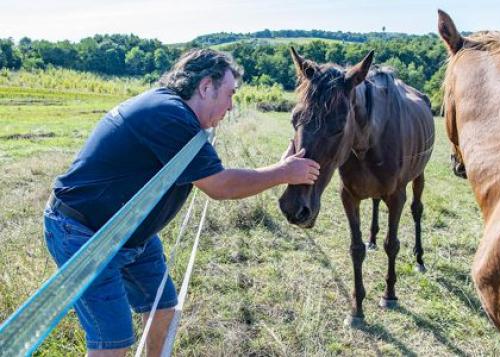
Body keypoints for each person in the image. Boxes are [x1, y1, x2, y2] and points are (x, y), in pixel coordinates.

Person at [43, 48, 319, 357]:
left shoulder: (177, 114)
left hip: (131, 231)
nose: (230, 106)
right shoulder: (169, 116)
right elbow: (220, 185)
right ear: (205, 87)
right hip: (85, 233)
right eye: (229, 94)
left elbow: (215, 174)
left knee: (163, 308)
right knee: (113, 339)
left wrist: (276, 170)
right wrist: (282, 173)